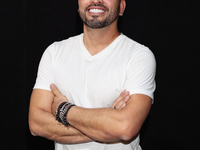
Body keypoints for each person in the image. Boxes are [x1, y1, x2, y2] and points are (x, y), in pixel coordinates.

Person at [29, 0, 156, 149]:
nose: (96, 1)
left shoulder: (139, 56)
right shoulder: (54, 52)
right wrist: (107, 124)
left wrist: (64, 110)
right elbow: (36, 124)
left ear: (121, 7)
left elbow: (125, 127)